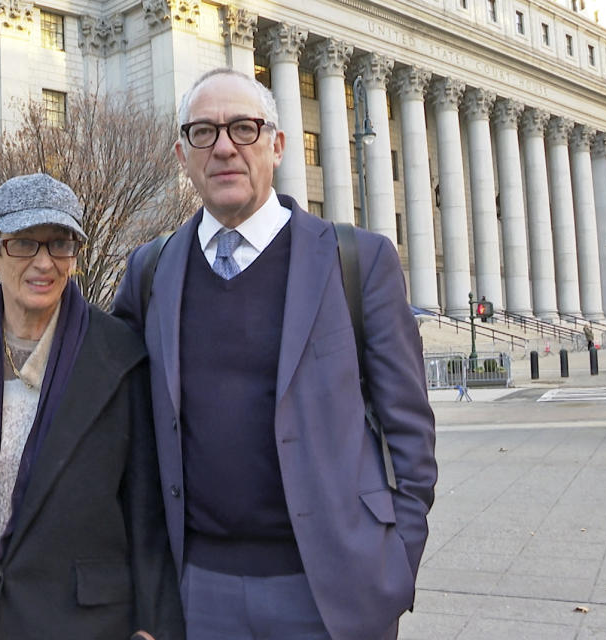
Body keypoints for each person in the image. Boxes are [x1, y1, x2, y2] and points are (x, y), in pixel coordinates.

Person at [113, 69, 437, 640]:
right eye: (203, 133)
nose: (224, 148)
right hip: (197, 593)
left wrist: (395, 563)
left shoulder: (357, 262)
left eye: (244, 128)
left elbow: (409, 429)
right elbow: (121, 428)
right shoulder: (150, 271)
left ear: (277, 145)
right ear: (183, 154)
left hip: (330, 592)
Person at [0, 173, 183, 640]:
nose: (44, 263)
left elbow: (146, 511)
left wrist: (152, 625)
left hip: (78, 621)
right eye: (24, 243)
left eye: (59, 244)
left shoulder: (120, 357)